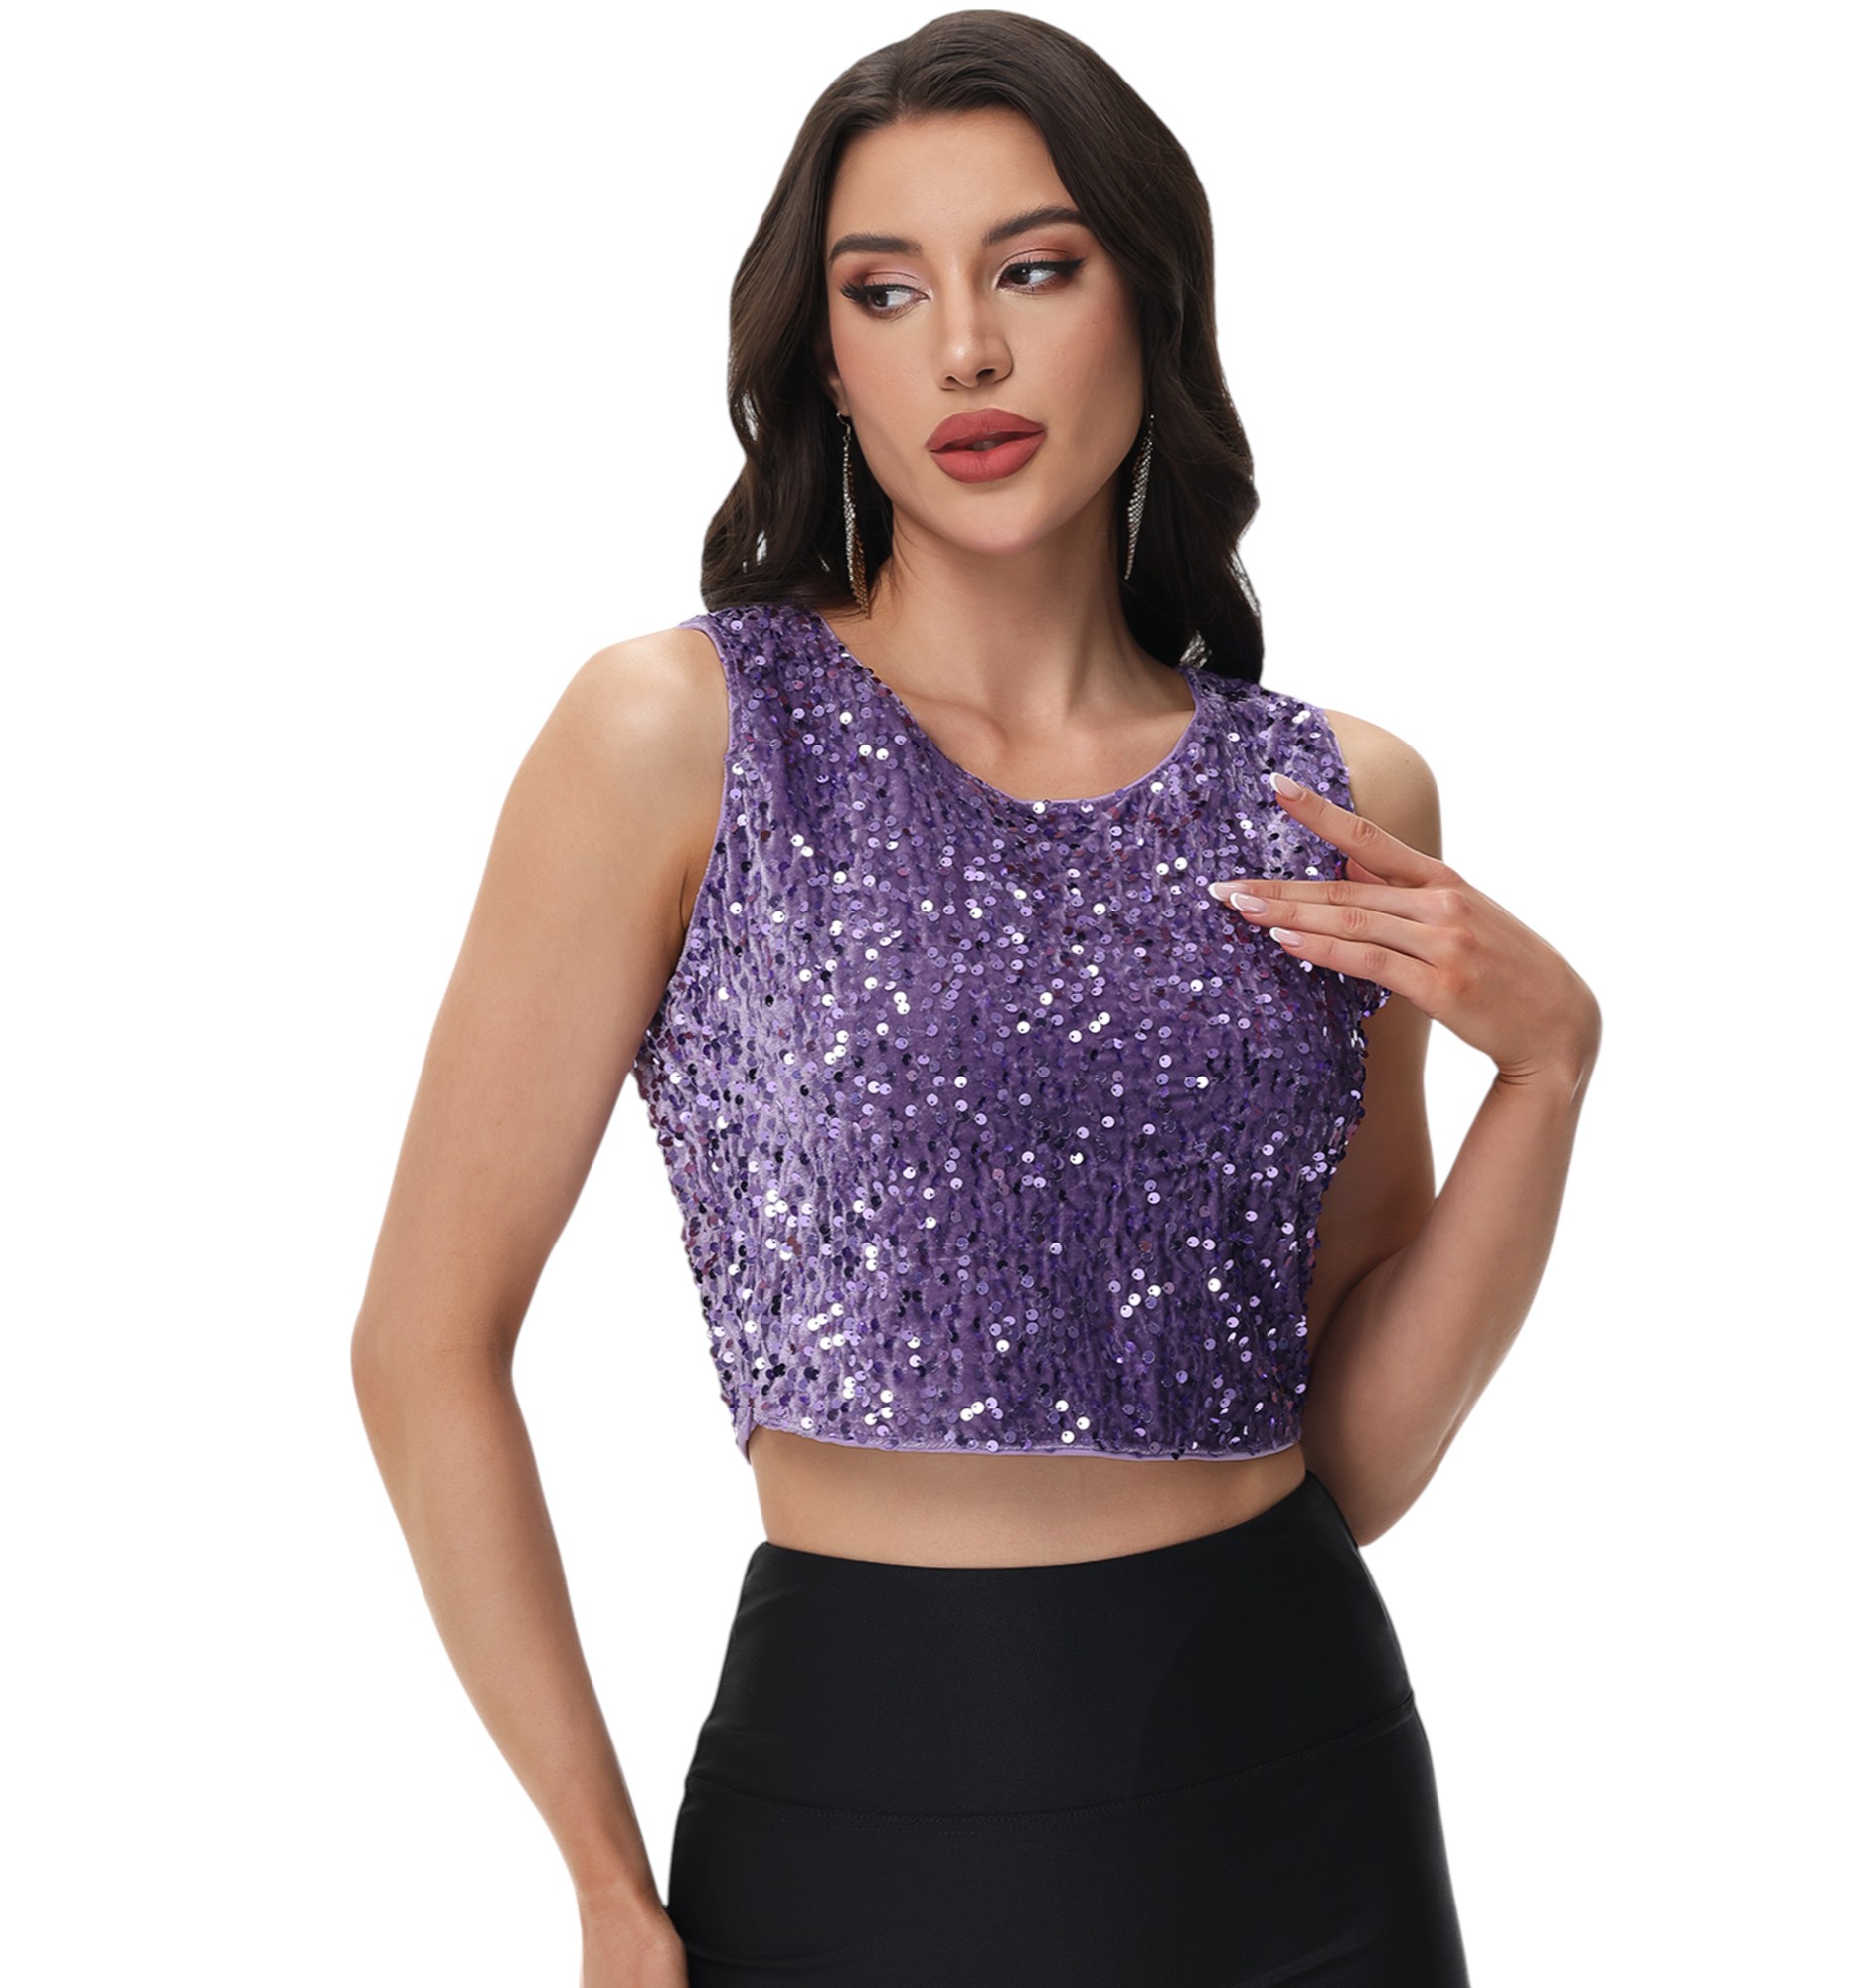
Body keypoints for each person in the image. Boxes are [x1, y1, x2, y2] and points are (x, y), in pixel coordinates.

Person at [351, 12, 1601, 1985]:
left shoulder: (1332, 797)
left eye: (1032, 268)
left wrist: (1547, 1072)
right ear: (824, 359)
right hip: (861, 1793)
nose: (964, 351)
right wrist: (600, 1878)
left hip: (1300, 1790)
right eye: (885, 289)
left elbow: (1351, 1455)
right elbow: (422, 1345)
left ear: (1149, 304)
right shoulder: (678, 736)